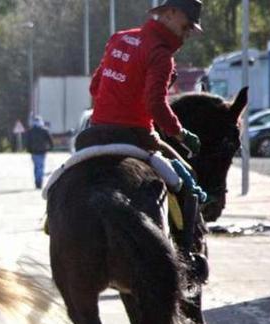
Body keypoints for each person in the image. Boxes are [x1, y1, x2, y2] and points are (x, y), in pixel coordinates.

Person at [77, 0, 207, 259]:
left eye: (191, 28)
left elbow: (95, 86)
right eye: (186, 25)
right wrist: (181, 133)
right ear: (170, 14)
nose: (188, 33)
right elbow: (155, 105)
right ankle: (188, 254)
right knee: (188, 182)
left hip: (96, 134)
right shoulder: (160, 55)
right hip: (136, 137)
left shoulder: (120, 38)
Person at [24, 116, 54, 189]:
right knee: (40, 166)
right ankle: (39, 182)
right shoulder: (44, 130)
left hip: (34, 152)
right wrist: (50, 148)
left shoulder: (30, 131)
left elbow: (27, 142)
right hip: (42, 152)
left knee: (36, 167)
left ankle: (37, 182)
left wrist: (28, 149)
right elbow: (50, 141)